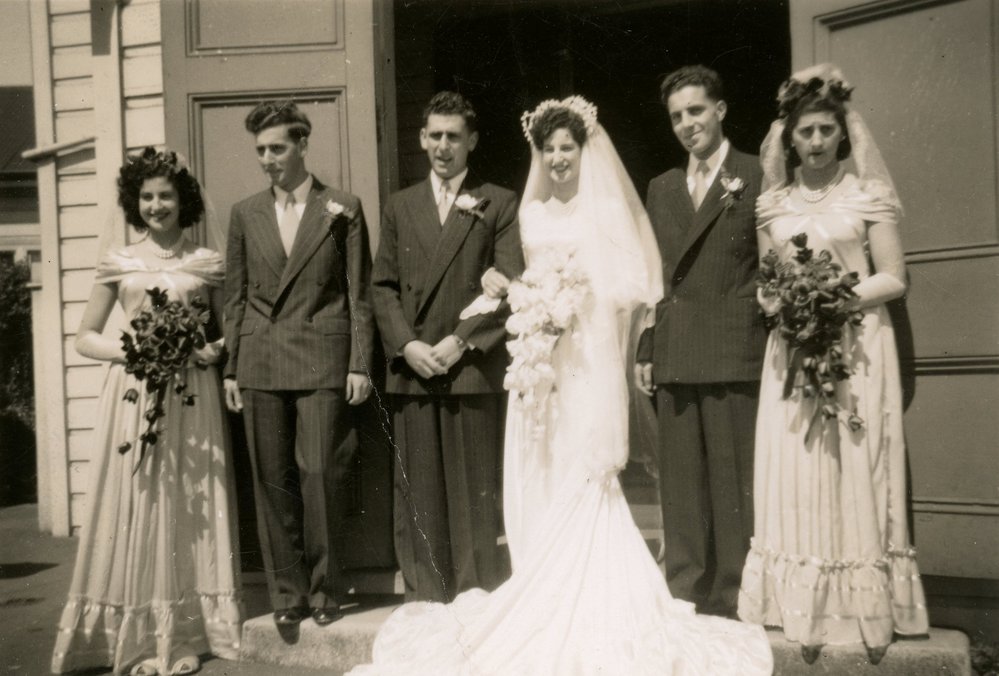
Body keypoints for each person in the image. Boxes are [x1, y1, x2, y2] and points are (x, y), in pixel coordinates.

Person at [348, 97, 773, 675]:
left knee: (584, 464)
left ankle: (587, 582)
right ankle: (540, 576)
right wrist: (514, 290)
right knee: (539, 462)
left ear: (584, 150)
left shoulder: (607, 211)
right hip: (539, 358)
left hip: (586, 356)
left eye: (566, 148)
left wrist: (575, 302)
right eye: (547, 149)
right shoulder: (531, 213)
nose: (556, 158)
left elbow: (634, 285)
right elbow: (512, 278)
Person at [736, 64, 929, 664]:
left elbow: (894, 276)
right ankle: (801, 605)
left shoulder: (867, 194)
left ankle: (863, 607)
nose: (816, 141)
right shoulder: (771, 204)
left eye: (826, 129)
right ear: (788, 138)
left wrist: (834, 298)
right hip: (793, 349)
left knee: (855, 462)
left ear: (843, 133)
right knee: (799, 467)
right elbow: (767, 281)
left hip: (857, 347)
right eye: (805, 132)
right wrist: (783, 300)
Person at [51, 148, 241, 676]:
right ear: (135, 202)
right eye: (147, 197)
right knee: (140, 500)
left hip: (192, 395)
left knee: (188, 501)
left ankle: (185, 634)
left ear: (184, 200)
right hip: (134, 395)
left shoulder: (205, 262)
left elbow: (228, 332)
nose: (157, 205)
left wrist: (207, 350)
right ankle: (135, 640)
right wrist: (135, 350)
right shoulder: (119, 261)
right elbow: (84, 337)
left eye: (166, 195)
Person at [222, 100, 375, 627]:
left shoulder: (342, 207)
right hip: (260, 360)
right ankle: (287, 595)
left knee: (321, 473)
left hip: (322, 356)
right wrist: (231, 367)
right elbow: (236, 296)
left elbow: (358, 293)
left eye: (277, 148)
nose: (267, 159)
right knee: (272, 479)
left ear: (303, 144)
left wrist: (359, 363)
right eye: (260, 150)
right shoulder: (245, 213)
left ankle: (327, 591)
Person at [371, 91, 523, 602]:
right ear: (421, 138)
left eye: (453, 136)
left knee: (471, 492)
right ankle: (426, 596)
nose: (442, 145)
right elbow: (382, 287)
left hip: (469, 367)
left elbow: (509, 284)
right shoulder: (400, 205)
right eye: (434, 135)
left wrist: (461, 342)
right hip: (414, 368)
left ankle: (474, 593)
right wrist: (406, 344)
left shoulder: (498, 202)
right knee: (419, 492)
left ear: (471, 141)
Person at [635, 64, 767, 618]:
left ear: (720, 110)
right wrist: (647, 345)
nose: (687, 124)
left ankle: (735, 592)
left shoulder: (756, 172)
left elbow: (771, 261)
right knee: (682, 482)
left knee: (733, 481)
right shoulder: (662, 187)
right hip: (676, 346)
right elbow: (654, 275)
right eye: (676, 117)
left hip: (734, 343)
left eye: (695, 111)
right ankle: (685, 590)